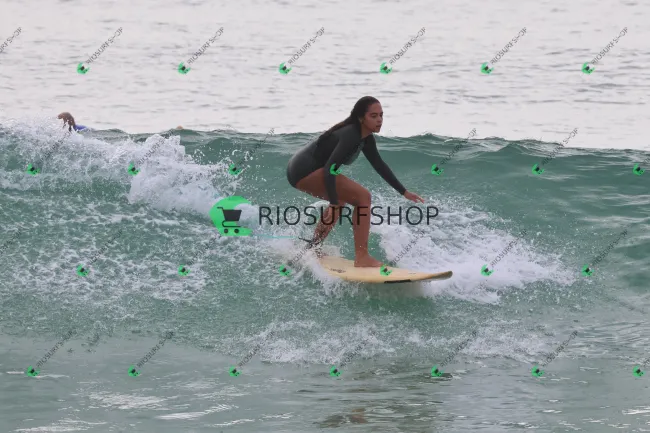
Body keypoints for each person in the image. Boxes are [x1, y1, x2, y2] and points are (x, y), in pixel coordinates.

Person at [286, 96, 424, 268]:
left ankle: (313, 248)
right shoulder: (351, 134)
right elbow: (330, 168)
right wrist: (333, 203)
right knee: (363, 197)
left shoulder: (366, 138)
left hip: (299, 170)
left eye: (381, 115)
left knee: (341, 201)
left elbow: (379, 165)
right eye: (373, 116)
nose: (379, 120)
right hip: (304, 170)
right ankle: (362, 257)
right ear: (361, 118)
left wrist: (404, 192)